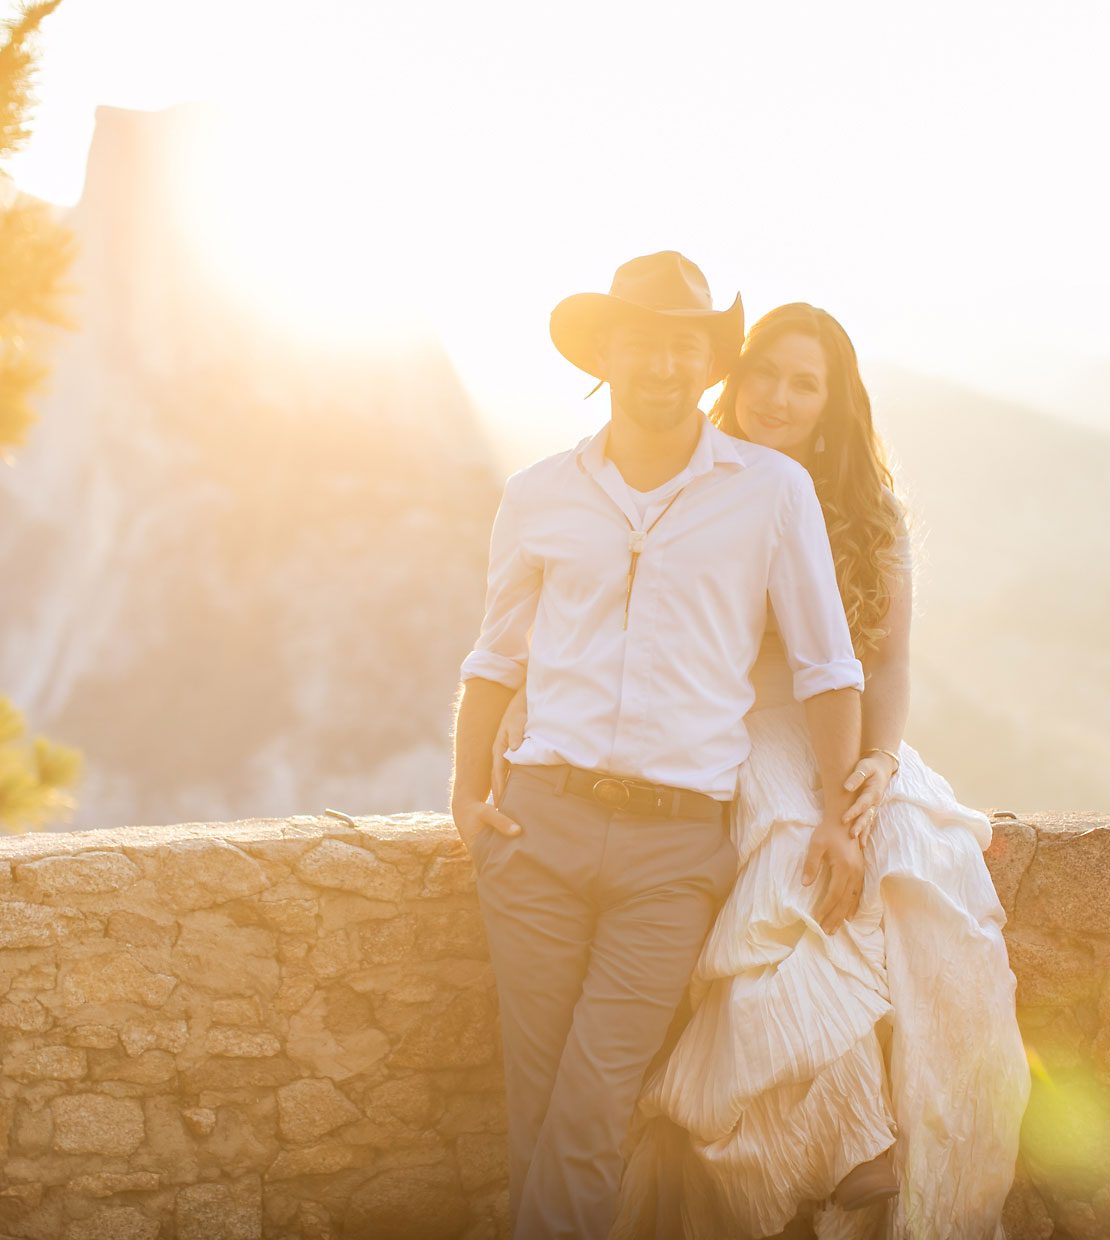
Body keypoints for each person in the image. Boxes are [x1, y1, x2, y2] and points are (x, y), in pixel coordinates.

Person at [498, 303, 1031, 1239]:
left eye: (804, 383)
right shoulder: (702, 487)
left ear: (835, 403)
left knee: (911, 852)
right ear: (731, 381)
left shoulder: (864, 510)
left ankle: (905, 1139)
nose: (778, 397)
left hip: (837, 730)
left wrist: (878, 758)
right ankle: (846, 1142)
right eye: (764, 375)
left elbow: (887, 661)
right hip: (722, 735)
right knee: (794, 881)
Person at [451, 253, 873, 1240]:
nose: (663, 363)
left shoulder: (770, 491)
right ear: (606, 352)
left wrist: (835, 817)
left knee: (592, 1106)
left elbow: (826, 664)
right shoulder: (540, 493)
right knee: (540, 1102)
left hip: (676, 851)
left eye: (685, 344)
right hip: (536, 826)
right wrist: (469, 797)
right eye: (642, 341)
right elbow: (493, 657)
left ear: (709, 362)